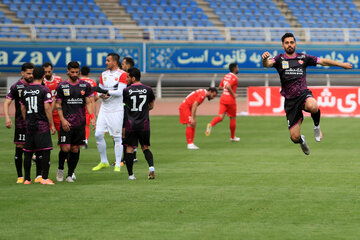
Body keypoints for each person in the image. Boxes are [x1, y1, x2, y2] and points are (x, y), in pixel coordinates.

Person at [262, 32, 353, 155]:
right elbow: (267, 64)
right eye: (287, 43)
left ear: (295, 44)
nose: (289, 45)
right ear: (283, 46)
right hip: (290, 102)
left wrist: (342, 65)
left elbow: (323, 61)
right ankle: (301, 141)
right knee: (294, 137)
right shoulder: (278, 59)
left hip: (303, 94)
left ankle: (316, 127)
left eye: (292, 42)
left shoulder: (303, 58)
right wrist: (264, 60)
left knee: (313, 106)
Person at [55, 61, 95, 182]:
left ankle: (70, 174)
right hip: (66, 123)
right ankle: (60, 169)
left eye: (76, 72)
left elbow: (88, 102)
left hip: (80, 123)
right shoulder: (62, 86)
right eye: (72, 72)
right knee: (65, 149)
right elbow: (58, 104)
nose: (74, 74)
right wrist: (62, 120)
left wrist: (93, 117)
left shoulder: (85, 85)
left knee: (75, 149)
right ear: (67, 71)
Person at [4, 63, 43, 183]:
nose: (31, 76)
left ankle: (38, 176)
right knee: (20, 148)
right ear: (22, 73)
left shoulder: (38, 85)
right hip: (21, 123)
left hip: (36, 122)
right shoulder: (17, 86)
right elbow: (6, 103)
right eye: (28, 73)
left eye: (32, 73)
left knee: (38, 149)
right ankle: (20, 176)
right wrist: (7, 118)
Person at [20, 66, 56, 185]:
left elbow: (23, 108)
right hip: (42, 124)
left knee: (28, 152)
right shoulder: (44, 89)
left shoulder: (25, 90)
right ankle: (44, 178)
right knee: (45, 150)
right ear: (43, 76)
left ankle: (27, 179)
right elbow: (47, 108)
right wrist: (51, 124)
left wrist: (27, 120)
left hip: (29, 124)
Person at [91, 53, 127, 172]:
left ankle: (117, 164)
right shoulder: (103, 74)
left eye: (108, 60)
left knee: (117, 137)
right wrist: (100, 95)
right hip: (104, 109)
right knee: (98, 134)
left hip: (116, 110)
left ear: (115, 62)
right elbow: (99, 90)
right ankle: (104, 161)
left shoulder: (122, 74)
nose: (106, 62)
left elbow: (120, 92)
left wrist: (107, 92)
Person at [123, 67, 155, 180]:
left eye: (127, 77)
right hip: (144, 124)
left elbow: (126, 105)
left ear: (133, 78)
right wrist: (143, 111)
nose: (126, 79)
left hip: (131, 124)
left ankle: (131, 175)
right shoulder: (148, 89)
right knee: (145, 147)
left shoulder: (126, 91)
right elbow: (151, 106)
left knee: (130, 148)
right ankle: (151, 168)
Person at [42, 62, 68, 181]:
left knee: (62, 138)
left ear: (52, 70)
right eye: (45, 72)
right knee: (42, 136)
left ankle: (64, 158)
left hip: (57, 113)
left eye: (49, 71)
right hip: (44, 113)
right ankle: (38, 155)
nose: (47, 74)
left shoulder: (58, 80)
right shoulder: (41, 81)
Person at [205, 62, 240, 142]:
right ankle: (232, 137)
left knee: (220, 117)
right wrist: (233, 94)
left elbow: (220, 87)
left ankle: (211, 124)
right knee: (232, 118)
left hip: (223, 98)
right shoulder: (234, 78)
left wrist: (226, 88)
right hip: (230, 100)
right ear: (234, 69)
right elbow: (228, 86)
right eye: (237, 68)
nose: (238, 69)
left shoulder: (226, 76)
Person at [80, 66, 98, 148]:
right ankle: (85, 140)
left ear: (80, 73)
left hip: (78, 106)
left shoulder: (77, 81)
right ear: (88, 73)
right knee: (86, 125)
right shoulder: (92, 82)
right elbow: (96, 97)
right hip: (88, 106)